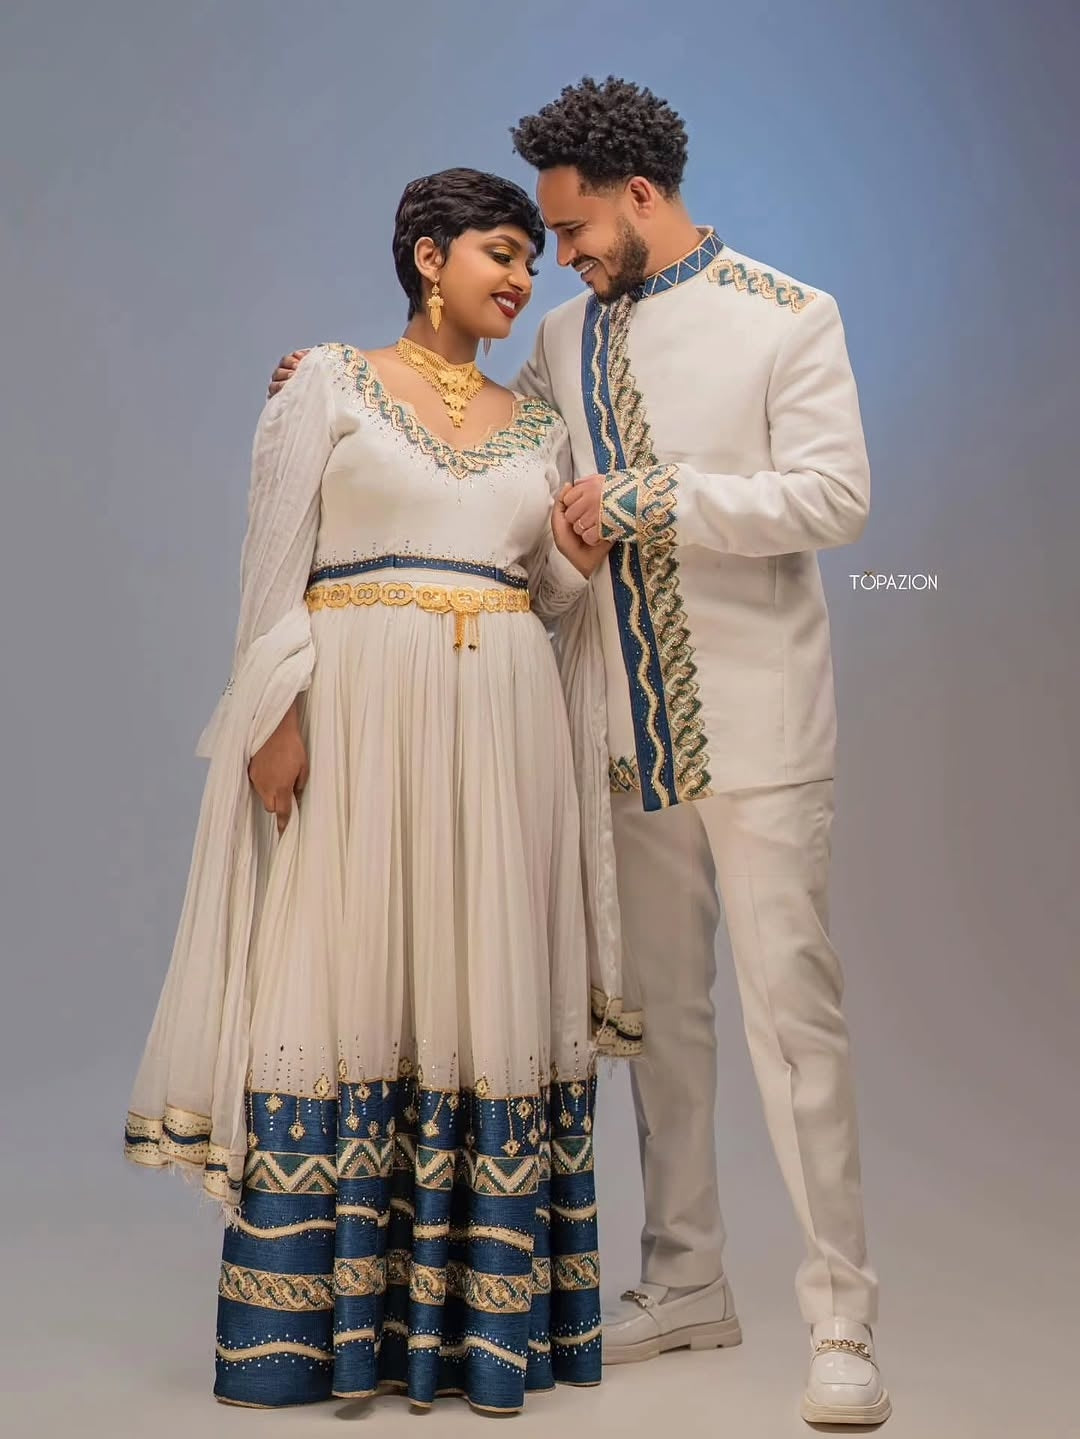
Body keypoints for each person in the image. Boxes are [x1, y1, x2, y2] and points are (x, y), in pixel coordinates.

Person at [269, 77, 889, 1427]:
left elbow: (838, 496)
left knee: (797, 1021)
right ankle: (687, 1278)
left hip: (760, 724)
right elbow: (488, 449)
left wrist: (658, 497)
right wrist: (336, 397)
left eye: (571, 227)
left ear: (639, 196)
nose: (559, 255)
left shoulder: (791, 316)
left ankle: (842, 1317)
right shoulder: (562, 337)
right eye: (543, 237)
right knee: (658, 1019)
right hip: (614, 731)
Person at [123, 167, 636, 1416]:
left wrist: (572, 560)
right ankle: (322, 1332)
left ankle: (476, 1335)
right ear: (427, 255)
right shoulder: (326, 387)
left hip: (502, 730)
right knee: (349, 971)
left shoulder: (539, 423)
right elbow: (270, 567)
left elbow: (550, 603)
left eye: (531, 255)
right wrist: (272, 713)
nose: (523, 276)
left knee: (481, 981)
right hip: (360, 714)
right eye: (502, 252)